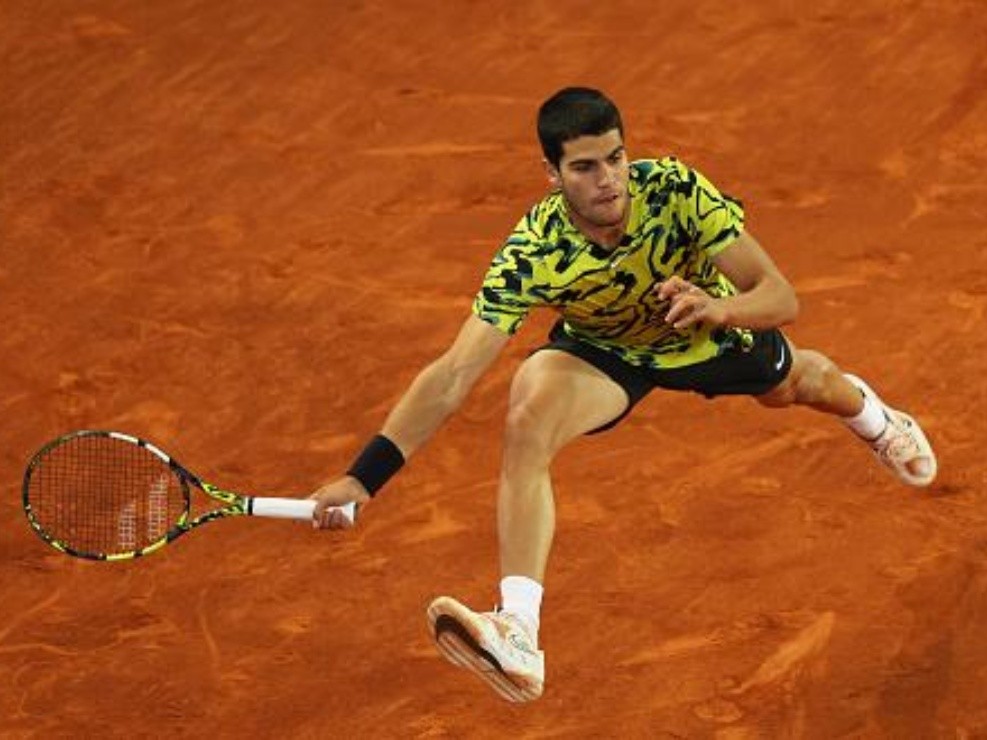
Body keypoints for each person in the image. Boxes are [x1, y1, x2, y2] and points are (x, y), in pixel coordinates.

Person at [308, 86, 937, 703]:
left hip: (706, 330)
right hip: (608, 355)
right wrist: (363, 478)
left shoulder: (674, 191)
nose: (608, 179)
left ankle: (880, 422)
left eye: (615, 158)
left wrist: (719, 308)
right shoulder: (533, 253)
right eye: (584, 166)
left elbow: (781, 297)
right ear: (552, 173)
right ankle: (520, 630)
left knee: (803, 385)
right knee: (528, 413)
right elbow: (451, 376)